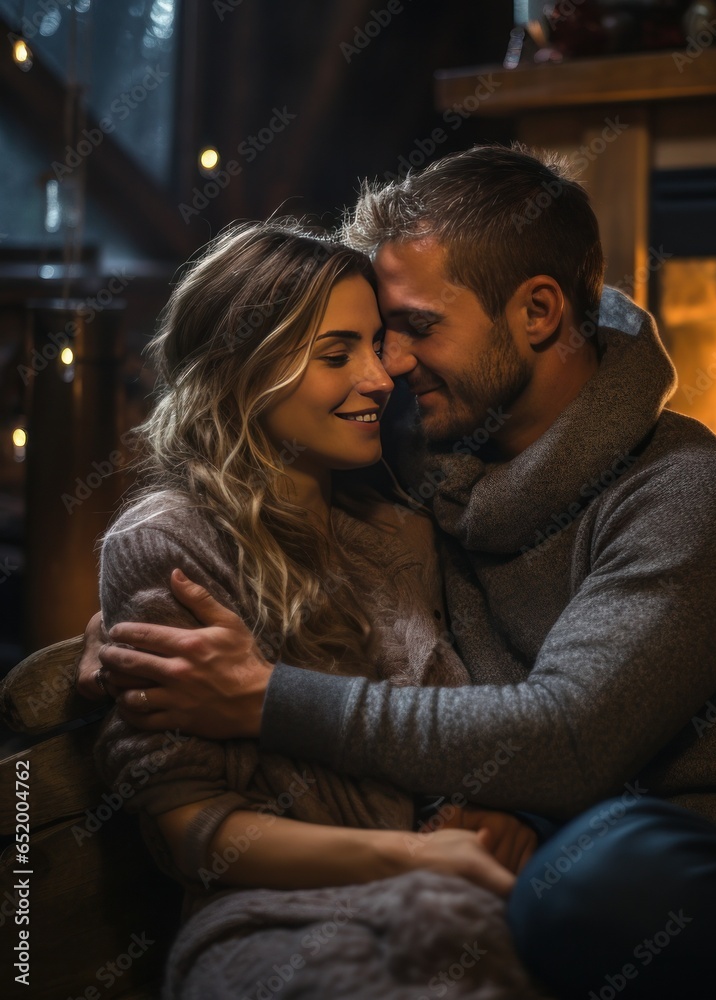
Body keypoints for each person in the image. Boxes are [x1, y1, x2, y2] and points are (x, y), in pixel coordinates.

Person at [81, 147, 716, 999]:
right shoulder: (414, 468)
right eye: (366, 342)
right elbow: (270, 549)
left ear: (537, 313)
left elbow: (563, 743)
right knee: (595, 872)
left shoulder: (688, 490)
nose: (390, 367)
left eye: (413, 329)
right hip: (601, 880)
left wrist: (264, 696)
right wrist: (124, 636)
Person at [91, 218, 549, 999]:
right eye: (339, 355)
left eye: (377, 346)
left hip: (444, 899)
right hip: (271, 921)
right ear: (241, 368)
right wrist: (412, 857)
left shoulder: (400, 532)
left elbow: (457, 722)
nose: (381, 378)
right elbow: (190, 830)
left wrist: (492, 810)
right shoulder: (167, 542)